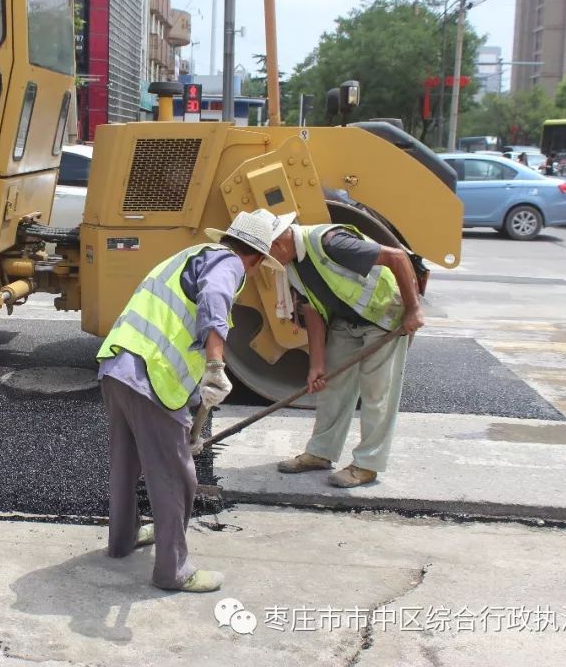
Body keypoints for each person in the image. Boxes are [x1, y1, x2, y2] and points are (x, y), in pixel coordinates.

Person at [97, 209, 284, 593]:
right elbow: (214, 298)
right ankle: (173, 571)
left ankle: (123, 540)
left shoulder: (191, 255)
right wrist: (216, 365)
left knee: (126, 461)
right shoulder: (229, 264)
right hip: (150, 377)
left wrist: (187, 415)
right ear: (258, 257)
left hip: (118, 364)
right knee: (176, 476)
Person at [270, 212, 424, 488]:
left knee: (376, 393)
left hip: (384, 316)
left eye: (267, 255)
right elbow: (312, 309)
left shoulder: (333, 243)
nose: (268, 264)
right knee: (332, 386)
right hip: (346, 320)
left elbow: (397, 258)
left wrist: (413, 310)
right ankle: (320, 452)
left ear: (279, 244)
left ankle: (367, 465)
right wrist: (316, 365)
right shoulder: (292, 264)